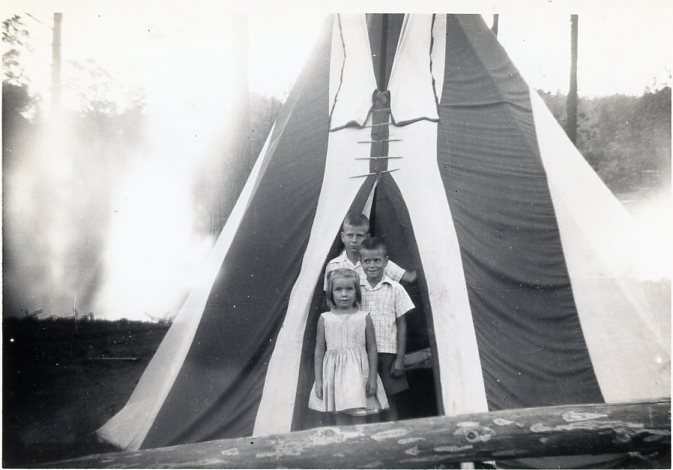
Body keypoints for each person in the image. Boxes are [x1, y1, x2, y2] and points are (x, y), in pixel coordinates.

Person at [308, 268, 388, 425]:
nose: (344, 294)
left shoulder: (364, 317)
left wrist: (372, 378)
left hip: (359, 375)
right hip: (335, 376)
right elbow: (319, 350)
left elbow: (372, 348)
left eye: (349, 289)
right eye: (338, 289)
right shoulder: (325, 319)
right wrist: (319, 380)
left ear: (356, 291)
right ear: (331, 292)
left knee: (361, 418)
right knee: (341, 418)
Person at [359, 237, 415, 421]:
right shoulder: (357, 289)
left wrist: (400, 358)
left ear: (386, 261)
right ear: (360, 263)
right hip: (364, 354)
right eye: (367, 261)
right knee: (370, 401)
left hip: (388, 353)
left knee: (389, 401)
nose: (372, 265)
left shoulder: (396, 289)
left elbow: (402, 324)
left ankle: (393, 438)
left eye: (377, 260)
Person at [323, 212, 416, 291]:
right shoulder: (333, 265)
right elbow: (329, 297)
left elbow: (410, 278)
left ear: (367, 237)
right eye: (350, 235)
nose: (354, 240)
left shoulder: (378, 261)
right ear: (343, 237)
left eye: (359, 236)